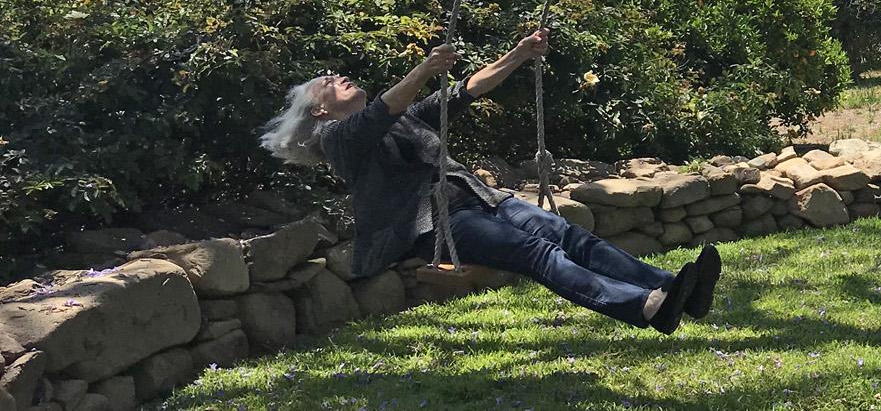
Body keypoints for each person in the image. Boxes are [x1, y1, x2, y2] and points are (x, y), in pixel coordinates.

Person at [259, 29, 719, 334]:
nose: (338, 78)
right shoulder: (339, 139)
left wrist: (518, 55)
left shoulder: (400, 121)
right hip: (435, 225)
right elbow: (383, 109)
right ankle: (642, 306)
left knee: (568, 233)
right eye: (328, 84)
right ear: (320, 110)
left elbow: (466, 90)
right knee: (539, 254)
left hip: (481, 198)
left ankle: (674, 289)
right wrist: (422, 69)